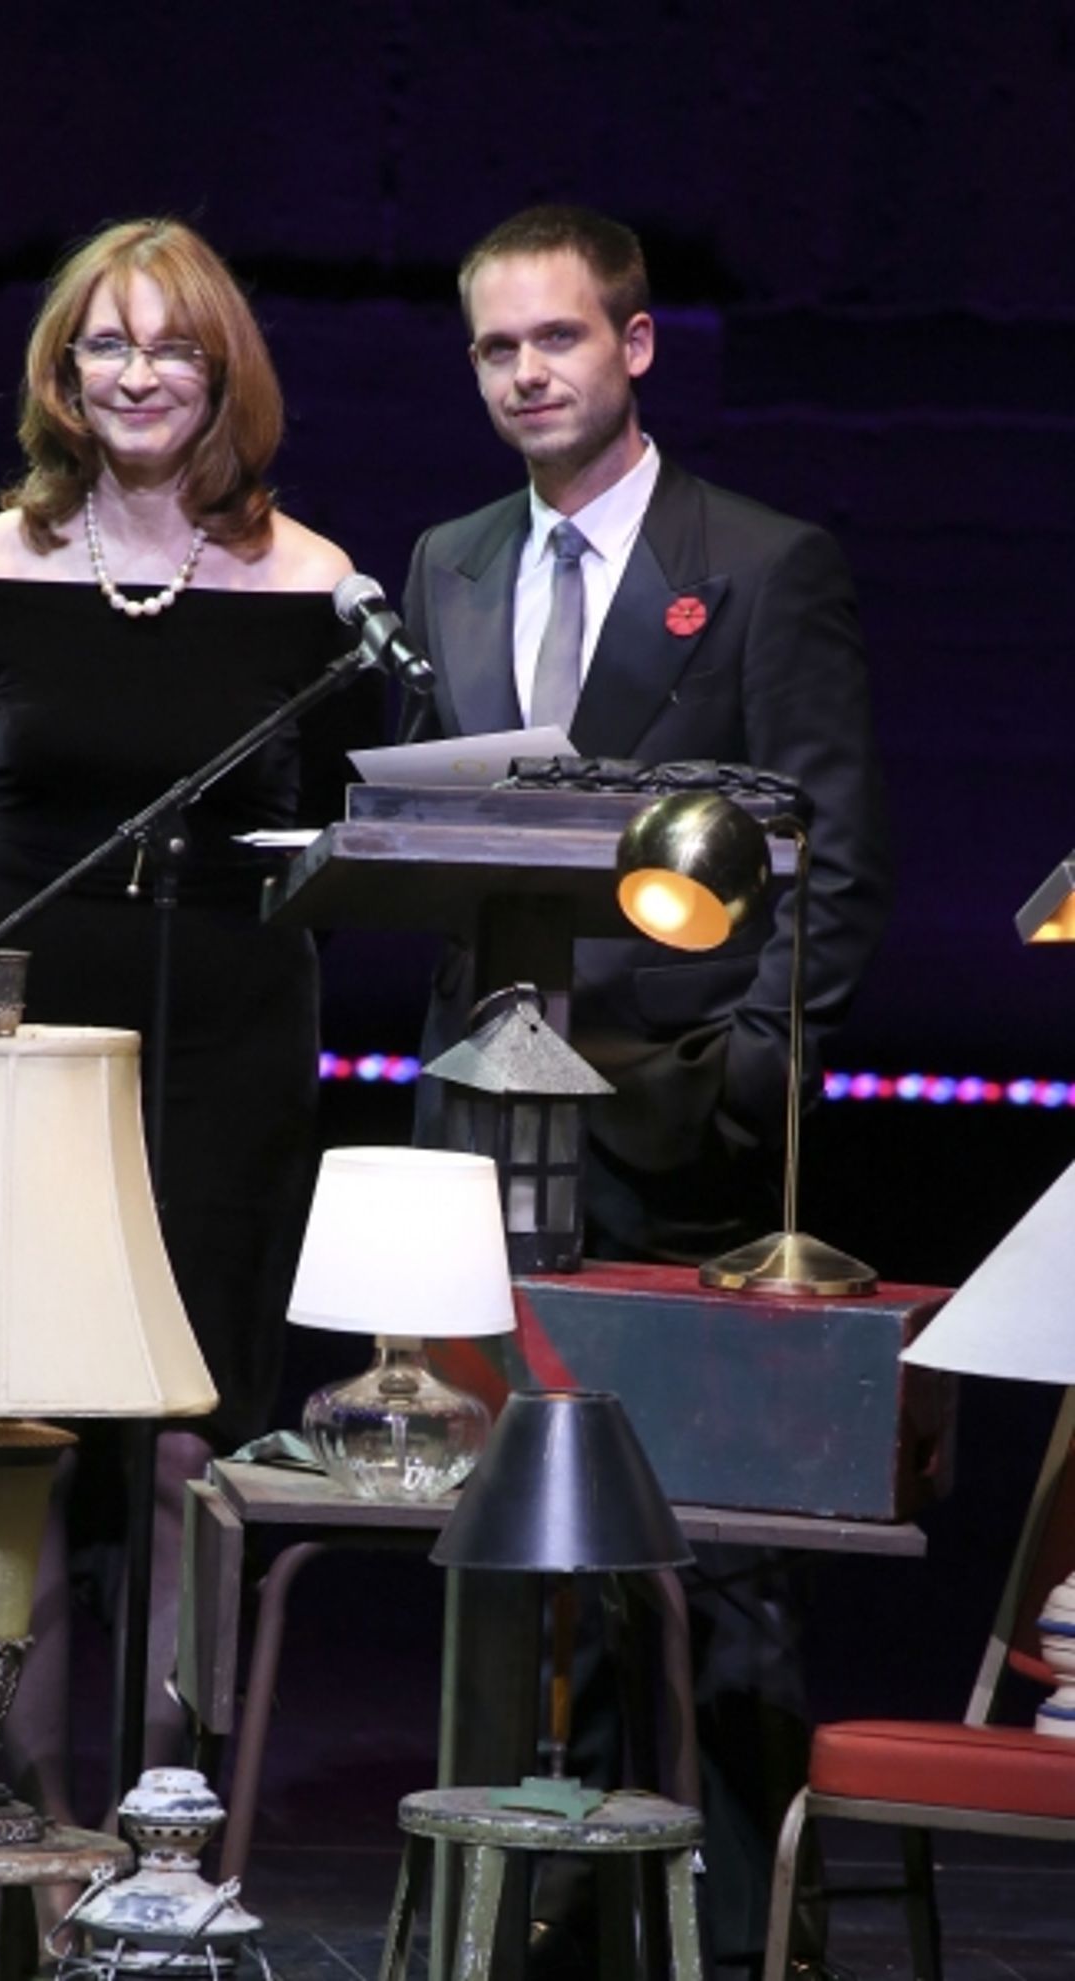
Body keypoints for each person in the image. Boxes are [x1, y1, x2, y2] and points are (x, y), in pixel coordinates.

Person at [402, 206, 890, 1975]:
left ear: (637, 346)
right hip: (492, 1136)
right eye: (496, 349)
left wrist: (754, 1082)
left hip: (688, 1140)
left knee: (714, 1569)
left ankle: (755, 1924)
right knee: (518, 1557)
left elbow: (827, 858)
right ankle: (532, 1912)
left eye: (559, 339)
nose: (528, 373)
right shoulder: (448, 560)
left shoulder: (761, 562)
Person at [0, 217, 360, 1829]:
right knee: (13, 1426)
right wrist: (20, 980)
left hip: (228, 1040)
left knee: (184, 1444)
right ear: (63, 368)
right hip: (21, 1030)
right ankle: (8, 1807)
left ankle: (166, 1820)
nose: (141, 371)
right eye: (109, 342)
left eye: (174, 343)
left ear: (224, 367)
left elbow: (355, 841)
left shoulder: (316, 584)